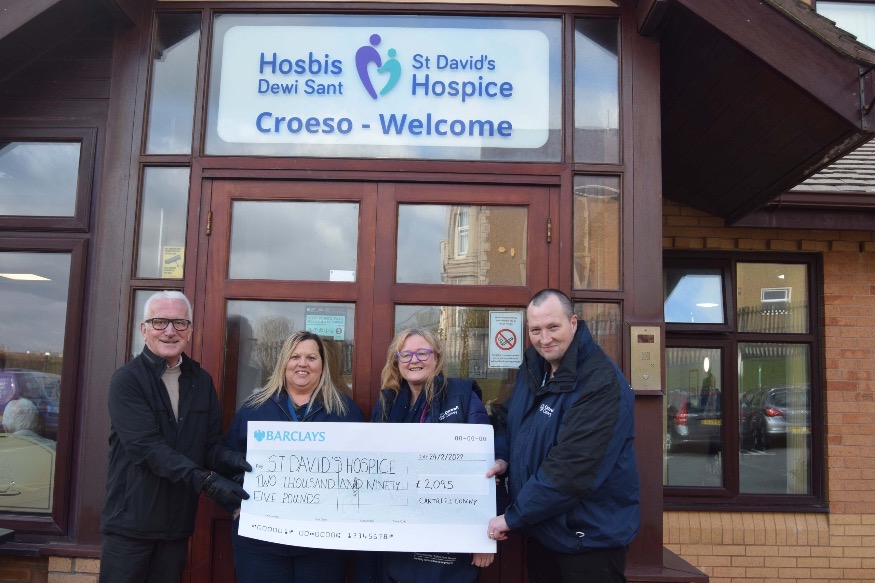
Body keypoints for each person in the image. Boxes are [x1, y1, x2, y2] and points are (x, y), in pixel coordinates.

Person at [486, 289, 640, 583]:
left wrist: (513, 517)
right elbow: (507, 420)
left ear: (573, 322)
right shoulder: (533, 370)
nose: (544, 339)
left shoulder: (600, 383)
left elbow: (572, 469)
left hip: (587, 542)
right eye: (535, 330)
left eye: (552, 327)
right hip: (543, 532)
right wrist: (503, 457)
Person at [100, 291, 252, 583]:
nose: (170, 331)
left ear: (190, 330)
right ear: (144, 329)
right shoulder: (127, 380)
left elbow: (208, 446)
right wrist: (207, 483)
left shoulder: (201, 381)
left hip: (176, 526)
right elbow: (147, 448)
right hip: (130, 525)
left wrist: (237, 461)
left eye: (180, 323)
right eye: (160, 322)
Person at [224, 330, 365, 583]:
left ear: (322, 365)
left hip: (323, 543)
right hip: (261, 541)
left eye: (311, 358)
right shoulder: (254, 408)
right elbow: (228, 462)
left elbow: (362, 472)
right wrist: (235, 505)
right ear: (284, 363)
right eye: (295, 357)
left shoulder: (345, 411)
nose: (303, 363)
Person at [370, 327, 494, 583]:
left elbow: (485, 467)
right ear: (397, 362)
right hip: (400, 526)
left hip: (450, 529)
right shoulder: (387, 403)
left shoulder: (462, 396)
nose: (414, 360)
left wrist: (483, 538)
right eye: (406, 355)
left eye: (422, 353)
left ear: (436, 357)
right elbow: (374, 464)